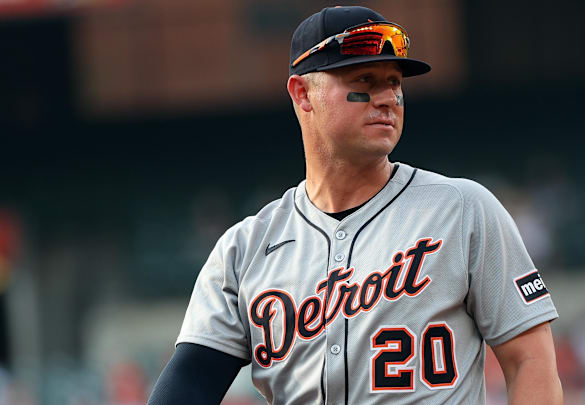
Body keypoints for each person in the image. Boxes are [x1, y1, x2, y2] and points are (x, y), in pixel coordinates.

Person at [148, 6, 562, 405]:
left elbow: (530, 361)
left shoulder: (463, 209)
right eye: (365, 79)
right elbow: (191, 380)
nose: (387, 98)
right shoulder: (245, 248)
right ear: (303, 93)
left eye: (395, 82)